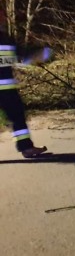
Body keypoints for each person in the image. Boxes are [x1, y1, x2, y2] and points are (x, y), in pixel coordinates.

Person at [0, 25, 50, 158]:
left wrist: (37, 53)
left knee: (18, 118)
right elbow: (21, 54)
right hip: (6, 90)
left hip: (7, 89)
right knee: (17, 118)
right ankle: (26, 148)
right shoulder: (5, 39)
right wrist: (37, 54)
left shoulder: (5, 39)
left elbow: (19, 55)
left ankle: (27, 147)